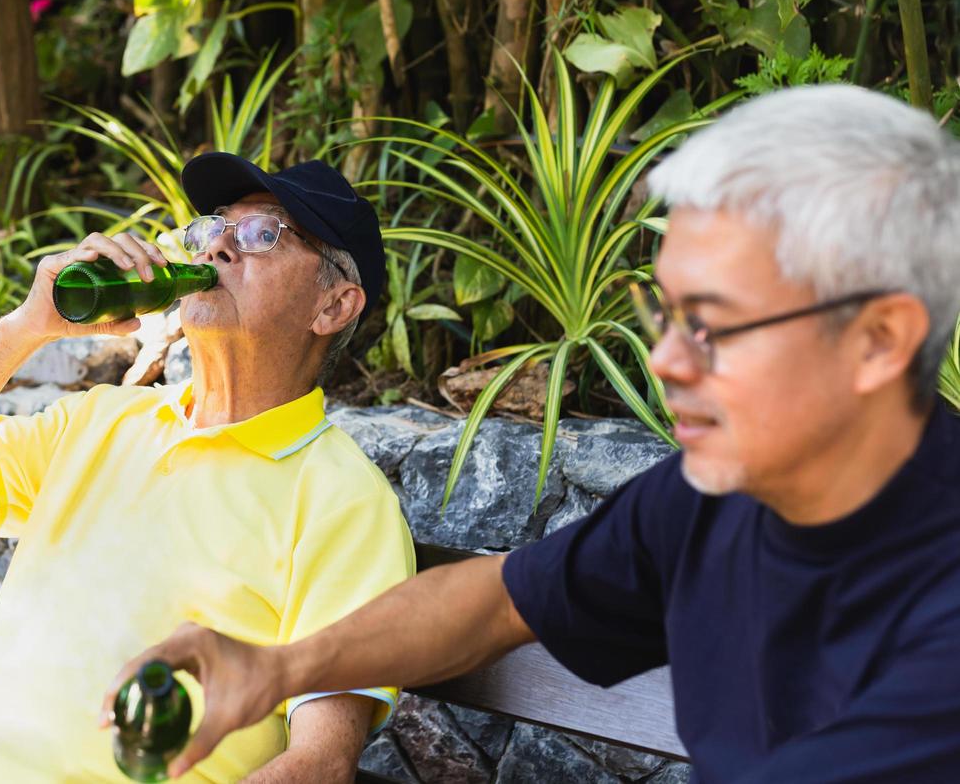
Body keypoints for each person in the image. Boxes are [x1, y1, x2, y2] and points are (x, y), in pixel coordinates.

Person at [112, 85, 960, 782]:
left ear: (878, 341)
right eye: (663, 313)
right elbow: (494, 600)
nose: (665, 361)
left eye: (714, 325)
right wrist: (285, 668)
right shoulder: (717, 496)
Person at [0, 155, 415, 782]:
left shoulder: (342, 501)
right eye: (212, 229)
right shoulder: (104, 421)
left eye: (263, 234)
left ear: (334, 307)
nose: (219, 249)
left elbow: (319, 763)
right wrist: (22, 329)